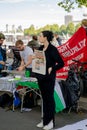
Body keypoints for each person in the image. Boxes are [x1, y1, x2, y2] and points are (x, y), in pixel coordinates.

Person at [34, 30, 64, 130]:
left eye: (40, 36)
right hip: (41, 78)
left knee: (49, 99)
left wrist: (52, 68)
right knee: (44, 99)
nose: (39, 37)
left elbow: (61, 63)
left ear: (46, 37)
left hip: (49, 78)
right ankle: (45, 120)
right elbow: (38, 62)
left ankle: (51, 121)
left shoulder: (52, 49)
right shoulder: (40, 48)